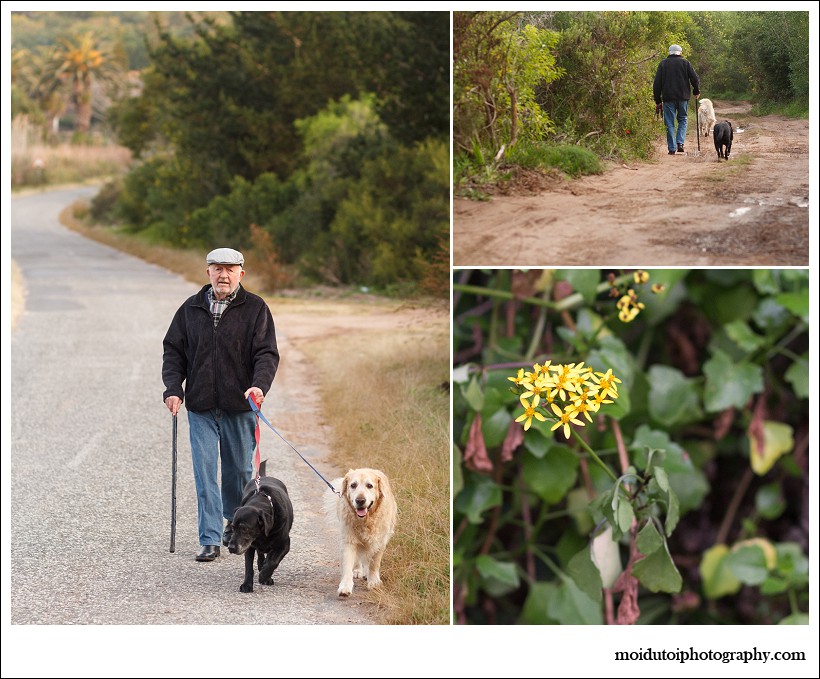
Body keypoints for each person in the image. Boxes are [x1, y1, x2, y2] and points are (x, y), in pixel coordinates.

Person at [162, 247, 280, 562]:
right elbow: (173, 350)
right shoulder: (190, 309)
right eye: (217, 269)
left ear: (241, 273)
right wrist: (173, 388)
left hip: (239, 407)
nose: (223, 275)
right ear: (208, 273)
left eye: (230, 269)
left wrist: (259, 385)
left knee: (239, 472)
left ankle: (234, 523)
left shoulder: (255, 308)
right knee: (204, 471)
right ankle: (210, 539)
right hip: (200, 405)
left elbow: (266, 353)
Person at [653, 44, 700, 155]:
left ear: (669, 52)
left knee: (669, 123)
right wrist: (696, 91)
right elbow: (695, 79)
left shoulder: (663, 64)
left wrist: (657, 99)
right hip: (683, 97)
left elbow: (657, 83)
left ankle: (672, 148)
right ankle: (680, 143)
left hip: (668, 98)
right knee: (683, 119)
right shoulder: (685, 63)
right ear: (680, 52)